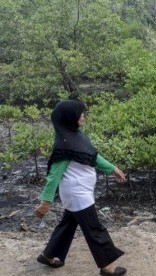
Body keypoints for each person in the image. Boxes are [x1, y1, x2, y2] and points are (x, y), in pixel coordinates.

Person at [35, 100, 127, 276]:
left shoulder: (76, 135)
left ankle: (49, 255)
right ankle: (107, 266)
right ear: (70, 118)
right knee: (94, 228)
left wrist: (112, 169)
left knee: (68, 224)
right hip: (77, 193)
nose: (83, 116)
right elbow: (54, 176)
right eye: (80, 113)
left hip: (79, 192)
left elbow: (93, 156)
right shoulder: (64, 145)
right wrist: (45, 201)